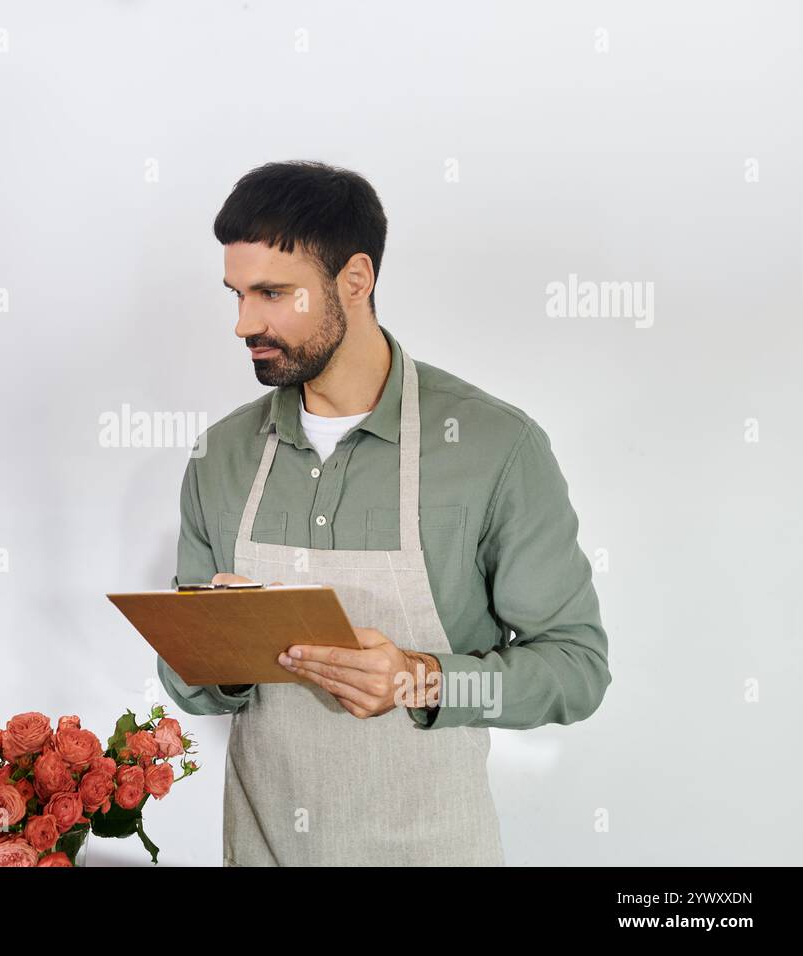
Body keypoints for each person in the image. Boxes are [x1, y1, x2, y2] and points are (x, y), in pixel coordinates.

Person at [155, 160, 611, 866]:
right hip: (260, 850)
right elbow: (187, 684)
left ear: (355, 281)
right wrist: (229, 653)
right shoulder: (220, 457)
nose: (245, 322)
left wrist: (420, 677)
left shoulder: (495, 448)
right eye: (237, 294)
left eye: (273, 293)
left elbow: (577, 668)